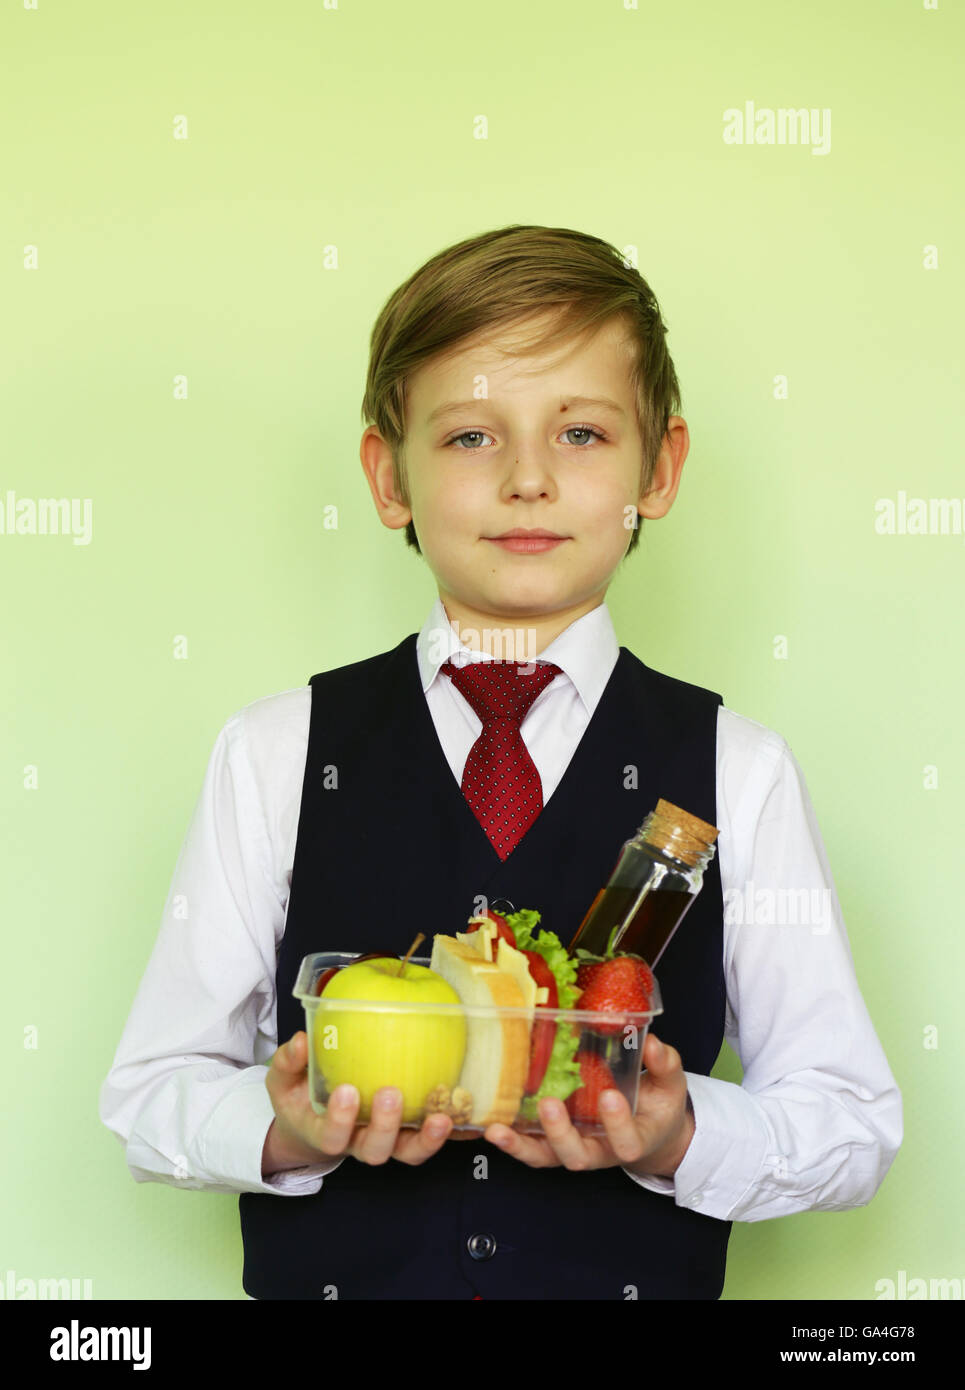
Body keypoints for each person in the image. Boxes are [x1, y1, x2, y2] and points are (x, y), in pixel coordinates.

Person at [99, 224, 902, 1300]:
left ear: (655, 469)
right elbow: (152, 1094)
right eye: (471, 437)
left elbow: (848, 1121)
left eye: (579, 433)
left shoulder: (737, 768)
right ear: (388, 478)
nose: (527, 479)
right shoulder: (274, 751)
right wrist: (286, 1128)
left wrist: (675, 1135)